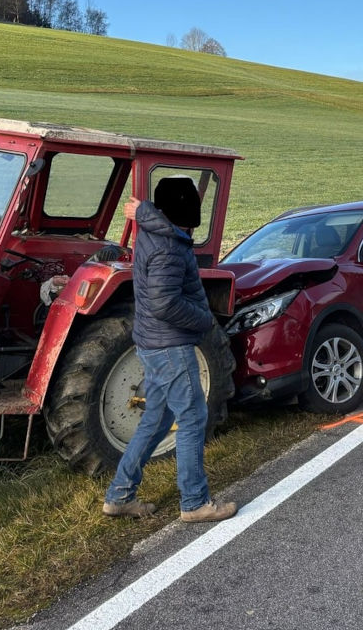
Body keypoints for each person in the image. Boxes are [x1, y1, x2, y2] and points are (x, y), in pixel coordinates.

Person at [103, 176, 237, 523]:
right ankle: (195, 502)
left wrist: (143, 210)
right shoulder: (169, 247)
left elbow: (150, 214)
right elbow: (165, 303)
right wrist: (204, 319)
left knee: (156, 420)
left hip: (153, 343)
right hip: (170, 346)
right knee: (193, 418)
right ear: (187, 211)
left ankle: (119, 495)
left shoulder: (153, 232)